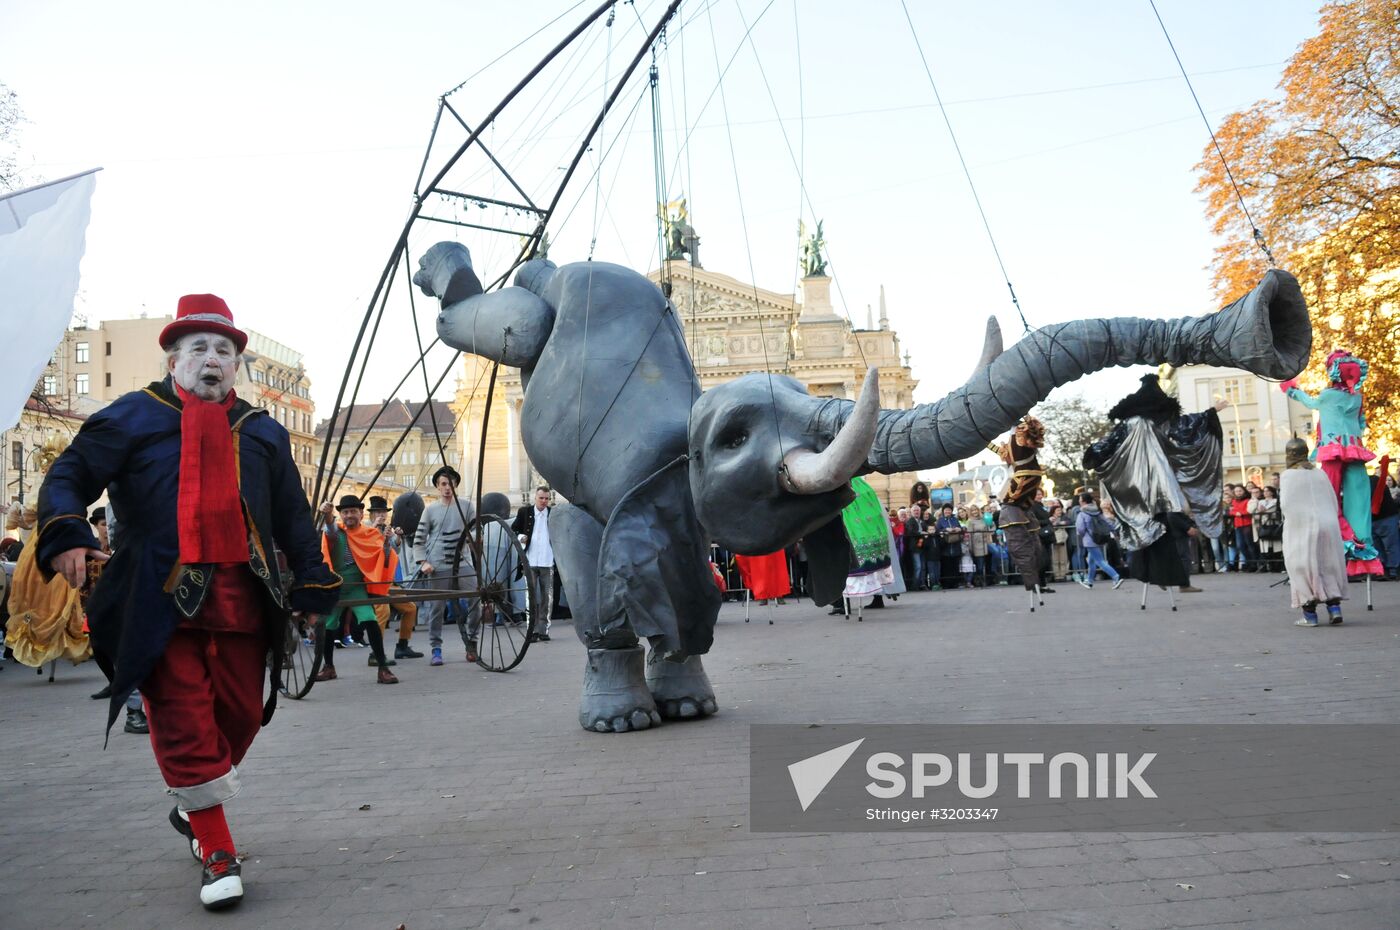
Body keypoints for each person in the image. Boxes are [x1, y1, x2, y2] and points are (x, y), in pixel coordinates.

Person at [35, 294, 340, 910]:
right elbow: (69, 473)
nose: (212, 359)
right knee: (182, 717)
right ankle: (217, 849)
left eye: (223, 350)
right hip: (157, 597)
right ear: (173, 358)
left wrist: (311, 580)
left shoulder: (262, 431)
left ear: (236, 366)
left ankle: (193, 805)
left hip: (244, 597)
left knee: (242, 718)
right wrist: (65, 530)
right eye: (198, 347)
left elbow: (292, 518)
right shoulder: (132, 415)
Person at [1083, 375, 1227, 593]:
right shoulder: (1161, 421)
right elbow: (1186, 428)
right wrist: (1211, 413)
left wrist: (1093, 453)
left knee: (1146, 526)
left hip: (1135, 487)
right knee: (1163, 530)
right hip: (1162, 485)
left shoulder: (1129, 424)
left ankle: (1155, 573)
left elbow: (1108, 443)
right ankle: (1165, 576)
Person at [1282, 350, 1384, 577]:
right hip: (1356, 451)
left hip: (1333, 451)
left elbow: (1309, 401)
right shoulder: (1357, 397)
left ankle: (1346, 538)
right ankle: (1360, 545)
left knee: (1327, 499)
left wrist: (1291, 388)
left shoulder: (1328, 395)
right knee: (1359, 502)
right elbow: (1361, 423)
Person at [313, 496, 400, 684]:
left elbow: (383, 558)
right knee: (328, 625)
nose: (349, 515)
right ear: (341, 515)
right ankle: (328, 667)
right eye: (345, 512)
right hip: (336, 587)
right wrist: (328, 515)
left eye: (353, 511)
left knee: (370, 619)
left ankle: (382, 668)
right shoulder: (337, 532)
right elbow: (330, 529)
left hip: (357, 587)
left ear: (361, 514)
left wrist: (386, 544)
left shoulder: (370, 533)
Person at [1279, 438, 1348, 626]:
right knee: (1328, 563)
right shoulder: (1320, 474)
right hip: (1327, 523)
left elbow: (1286, 504)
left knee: (1301, 565)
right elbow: (1333, 500)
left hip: (1302, 525)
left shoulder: (1288, 476)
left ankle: (1310, 615)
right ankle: (1334, 608)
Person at [414, 466, 475, 665]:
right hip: (439, 564)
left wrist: (475, 541)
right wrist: (424, 562)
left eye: (451, 483)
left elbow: (476, 531)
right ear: (438, 487)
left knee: (477, 599)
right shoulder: (430, 509)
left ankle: (472, 642)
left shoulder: (466, 506)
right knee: (436, 608)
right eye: (443, 484)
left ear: (456, 484)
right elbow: (419, 539)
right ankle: (436, 648)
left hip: (463, 562)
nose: (447, 488)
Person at [989, 417, 1051, 596]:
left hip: (1024, 477)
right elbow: (1006, 454)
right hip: (1030, 476)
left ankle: (1033, 579)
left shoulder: (1019, 433)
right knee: (1020, 505)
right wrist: (985, 443)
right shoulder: (1015, 437)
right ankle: (1035, 580)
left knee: (1010, 503)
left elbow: (1019, 449)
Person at [366, 496, 423, 659]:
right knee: (382, 612)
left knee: (410, 608)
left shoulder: (386, 529)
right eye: (378, 512)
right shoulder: (367, 530)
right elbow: (369, 550)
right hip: (374, 580)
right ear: (371, 515)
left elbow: (394, 552)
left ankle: (402, 646)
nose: (382, 515)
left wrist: (396, 537)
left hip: (388, 580)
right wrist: (378, 532)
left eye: (384, 512)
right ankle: (375, 652)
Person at [512, 486, 556, 642]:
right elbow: (514, 529)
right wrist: (521, 537)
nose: (544, 501)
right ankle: (532, 630)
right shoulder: (525, 512)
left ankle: (544, 630)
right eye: (541, 498)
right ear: (535, 498)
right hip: (529, 561)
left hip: (548, 561)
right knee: (530, 596)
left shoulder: (553, 514)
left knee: (547, 598)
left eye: (546, 498)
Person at [1074, 493, 1124, 589]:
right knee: (1091, 561)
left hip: (1089, 540)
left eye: (1080, 499)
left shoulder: (1082, 513)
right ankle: (1089, 581)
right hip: (1100, 538)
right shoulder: (1097, 510)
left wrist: (1082, 534)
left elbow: (1080, 529)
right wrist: (1114, 531)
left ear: (1083, 501)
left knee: (1099, 561)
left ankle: (1115, 576)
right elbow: (1106, 522)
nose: (1079, 500)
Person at [1371, 470, 1399, 581]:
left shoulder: (1373, 482)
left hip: (1380, 518)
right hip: (1386, 517)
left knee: (1381, 545)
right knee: (1391, 545)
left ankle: (1385, 570)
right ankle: (1392, 570)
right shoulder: (1376, 481)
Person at [1252, 486, 1284, 573]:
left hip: (1273, 525)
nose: (1265, 493)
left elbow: (1277, 512)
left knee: (1276, 546)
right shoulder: (1260, 501)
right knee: (1265, 547)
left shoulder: (1276, 501)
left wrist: (1265, 511)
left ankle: (1277, 566)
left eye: (1267, 491)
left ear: (1272, 492)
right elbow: (1255, 512)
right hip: (1263, 525)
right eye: (1264, 491)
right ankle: (1268, 566)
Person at [934, 503, 963, 589]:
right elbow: (937, 531)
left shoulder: (955, 519)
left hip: (955, 546)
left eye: (949, 510)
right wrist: (945, 529)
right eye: (946, 510)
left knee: (955, 565)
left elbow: (960, 528)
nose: (947, 511)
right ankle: (946, 584)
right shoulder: (940, 520)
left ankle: (955, 583)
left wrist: (959, 529)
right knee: (946, 566)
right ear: (943, 511)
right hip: (945, 548)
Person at [903, 503, 931, 590]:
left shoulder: (922, 521)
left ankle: (922, 584)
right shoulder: (910, 521)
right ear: (911, 512)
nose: (916, 512)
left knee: (923, 567)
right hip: (914, 547)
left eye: (918, 510)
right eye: (914, 510)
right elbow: (911, 532)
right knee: (918, 566)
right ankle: (915, 586)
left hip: (922, 546)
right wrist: (920, 533)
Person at [1229, 486, 1257, 572]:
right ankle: (1249, 562)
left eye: (1240, 491)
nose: (1238, 493)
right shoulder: (1233, 501)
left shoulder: (1247, 500)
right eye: (1236, 491)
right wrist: (1236, 512)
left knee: (1249, 544)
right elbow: (1230, 511)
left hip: (1247, 524)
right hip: (1238, 525)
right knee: (1240, 545)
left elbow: (1248, 511)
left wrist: (1239, 513)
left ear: (1244, 491)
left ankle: (1254, 564)